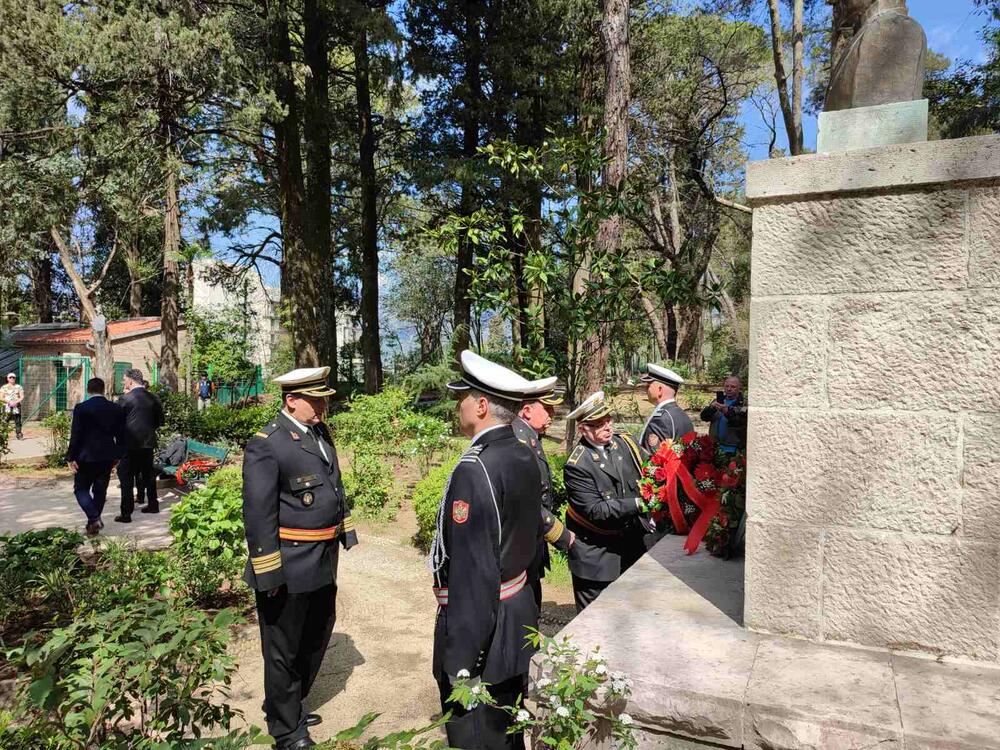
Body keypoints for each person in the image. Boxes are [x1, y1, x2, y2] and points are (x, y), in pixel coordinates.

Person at [431, 350, 545, 749]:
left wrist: (463, 663)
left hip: (485, 636)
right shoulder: (522, 452)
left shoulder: (474, 468)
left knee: (477, 737)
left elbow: (475, 575)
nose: (457, 406)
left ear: (481, 405)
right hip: (516, 620)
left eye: (462, 397)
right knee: (508, 735)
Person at [242, 366, 357, 750]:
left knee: (317, 633)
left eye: (323, 397)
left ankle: (285, 703)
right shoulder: (268, 443)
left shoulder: (319, 433)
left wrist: (346, 531)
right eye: (316, 398)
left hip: (322, 557)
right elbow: (258, 514)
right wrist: (268, 572)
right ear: (291, 400)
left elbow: (334, 485)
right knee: (283, 647)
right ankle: (287, 731)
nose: (323, 405)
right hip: (288, 562)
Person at [564, 391, 649, 612]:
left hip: (630, 548)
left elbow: (650, 471)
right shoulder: (578, 465)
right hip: (597, 557)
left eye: (608, 420)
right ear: (584, 429)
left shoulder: (624, 444)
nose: (607, 427)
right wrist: (639, 504)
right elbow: (596, 510)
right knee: (595, 621)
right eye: (599, 424)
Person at [513, 380, 573, 608]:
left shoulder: (528, 436)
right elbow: (526, 500)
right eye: (547, 409)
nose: (553, 414)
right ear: (527, 410)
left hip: (530, 538)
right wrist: (558, 532)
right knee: (526, 606)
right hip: (522, 542)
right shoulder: (520, 441)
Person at [66, 378, 127, 536]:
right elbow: (121, 435)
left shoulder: (81, 408)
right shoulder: (115, 408)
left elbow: (76, 434)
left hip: (85, 456)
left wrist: (70, 457)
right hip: (107, 455)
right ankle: (93, 525)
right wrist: (119, 454)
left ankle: (94, 519)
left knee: (80, 489)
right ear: (103, 389)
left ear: (88, 389)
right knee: (100, 491)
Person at [115, 369, 164, 522]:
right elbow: (159, 422)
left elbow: (116, 423)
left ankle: (126, 513)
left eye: (124, 379)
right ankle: (153, 505)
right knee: (148, 475)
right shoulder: (154, 398)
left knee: (126, 476)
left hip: (129, 444)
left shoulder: (125, 399)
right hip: (148, 443)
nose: (124, 382)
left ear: (130, 381)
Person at [638, 362, 694, 452]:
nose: (645, 389)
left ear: (660, 390)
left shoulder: (660, 419)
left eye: (648, 385)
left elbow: (651, 458)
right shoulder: (682, 414)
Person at [700, 375, 747, 453]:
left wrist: (727, 411)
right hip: (715, 446)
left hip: (734, 448)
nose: (729, 389)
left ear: (739, 388)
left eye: (733, 387)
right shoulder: (718, 401)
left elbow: (740, 421)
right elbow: (704, 417)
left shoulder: (744, 404)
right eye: (727, 386)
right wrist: (711, 408)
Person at [2, 372, 25, 440]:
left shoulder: (19, 387)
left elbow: (22, 396)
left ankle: (19, 434)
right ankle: (4, 435)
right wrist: (9, 402)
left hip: (16, 405)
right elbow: (1, 397)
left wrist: (16, 402)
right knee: (5, 420)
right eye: (10, 377)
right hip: (6, 405)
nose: (12, 378)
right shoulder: (4, 387)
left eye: (13, 377)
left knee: (17, 420)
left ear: (15, 378)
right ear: (7, 379)